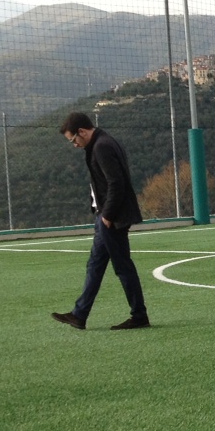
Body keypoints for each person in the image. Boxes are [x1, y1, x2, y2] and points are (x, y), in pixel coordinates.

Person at [51, 112, 150, 330]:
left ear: (82, 131)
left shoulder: (101, 146)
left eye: (73, 139)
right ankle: (79, 315)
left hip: (111, 219)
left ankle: (139, 316)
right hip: (105, 216)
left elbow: (116, 183)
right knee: (95, 265)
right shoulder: (102, 142)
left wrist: (107, 216)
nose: (74, 145)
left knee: (123, 267)